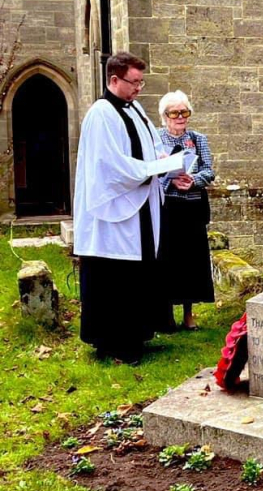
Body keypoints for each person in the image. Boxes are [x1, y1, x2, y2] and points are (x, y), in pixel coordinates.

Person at [73, 51, 169, 363]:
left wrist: (168, 162)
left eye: (142, 82)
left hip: (138, 205)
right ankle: (114, 342)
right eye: (134, 82)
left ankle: (137, 334)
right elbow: (109, 165)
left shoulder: (135, 109)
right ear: (114, 80)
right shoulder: (101, 114)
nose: (139, 88)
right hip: (113, 211)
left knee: (138, 273)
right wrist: (148, 170)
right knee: (114, 278)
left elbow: (152, 145)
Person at [157, 90, 216, 331]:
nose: (180, 117)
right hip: (167, 206)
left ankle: (189, 313)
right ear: (165, 116)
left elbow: (209, 169)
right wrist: (171, 180)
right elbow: (153, 171)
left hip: (192, 206)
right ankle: (167, 314)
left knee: (192, 261)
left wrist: (194, 181)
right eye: (175, 113)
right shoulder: (157, 139)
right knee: (168, 260)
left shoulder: (198, 138)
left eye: (184, 112)